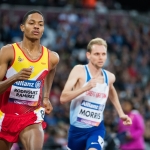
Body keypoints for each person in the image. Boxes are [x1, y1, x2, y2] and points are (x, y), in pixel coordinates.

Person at [0, 10, 59, 150]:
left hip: (30, 116)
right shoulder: (8, 52)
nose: (36, 27)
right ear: (22, 27)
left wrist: (46, 97)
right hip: (4, 115)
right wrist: (14, 78)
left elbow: (51, 70)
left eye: (40, 24)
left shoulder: (51, 57)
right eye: (32, 23)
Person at [60, 38, 132, 150]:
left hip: (96, 128)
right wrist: (85, 88)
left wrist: (121, 113)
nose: (101, 57)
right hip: (76, 131)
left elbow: (111, 90)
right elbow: (63, 98)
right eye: (97, 54)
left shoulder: (110, 77)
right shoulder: (79, 71)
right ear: (88, 55)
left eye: (103, 54)